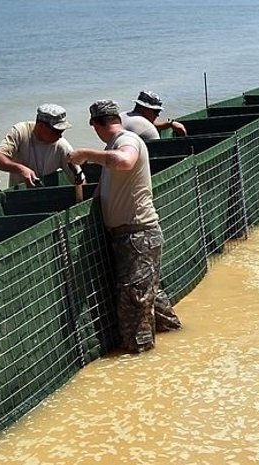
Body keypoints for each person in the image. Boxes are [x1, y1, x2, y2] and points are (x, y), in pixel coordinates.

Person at [68, 99, 181, 354]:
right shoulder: (113, 146)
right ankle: (179, 342)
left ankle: (142, 360)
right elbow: (104, 190)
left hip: (137, 235)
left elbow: (125, 162)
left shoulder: (126, 141)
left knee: (134, 301)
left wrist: (86, 155)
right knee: (148, 294)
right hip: (130, 235)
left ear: (94, 124)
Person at [0, 104, 85, 187]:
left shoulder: (62, 146)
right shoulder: (21, 132)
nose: (59, 136)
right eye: (56, 132)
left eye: (62, 131)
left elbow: (80, 179)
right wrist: (21, 169)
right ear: (41, 126)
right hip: (19, 194)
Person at [120, 90, 187, 141]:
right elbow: (158, 150)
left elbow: (147, 124)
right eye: (156, 111)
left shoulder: (122, 115)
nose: (157, 115)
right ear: (144, 109)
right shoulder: (148, 128)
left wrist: (170, 123)